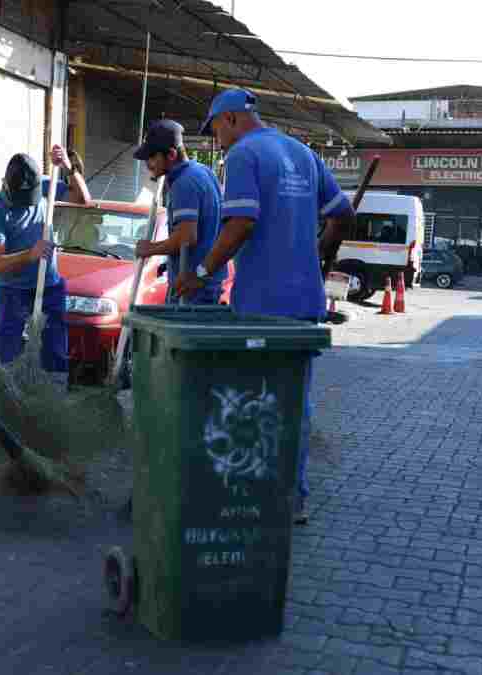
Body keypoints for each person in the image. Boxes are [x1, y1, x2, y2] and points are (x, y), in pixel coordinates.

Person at [176, 89, 356, 526]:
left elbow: (241, 222)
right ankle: (293, 497)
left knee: (253, 400)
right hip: (304, 302)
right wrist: (313, 252)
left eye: (215, 128)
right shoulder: (302, 153)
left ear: (233, 119)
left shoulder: (243, 155)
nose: (216, 139)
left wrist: (200, 273)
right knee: (295, 400)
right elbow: (342, 212)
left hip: (261, 304)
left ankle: (258, 492)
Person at [0, 146, 91, 390]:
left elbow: (84, 199)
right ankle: (4, 395)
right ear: (7, 186)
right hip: (12, 290)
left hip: (49, 285)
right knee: (6, 347)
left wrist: (66, 166)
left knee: (54, 347)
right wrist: (30, 254)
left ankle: (54, 396)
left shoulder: (43, 186)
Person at [131, 119, 225, 304]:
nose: (148, 164)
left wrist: (150, 249)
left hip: (191, 287)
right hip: (207, 281)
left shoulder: (184, 182)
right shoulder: (204, 172)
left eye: (152, 157)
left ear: (172, 154)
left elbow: (187, 237)